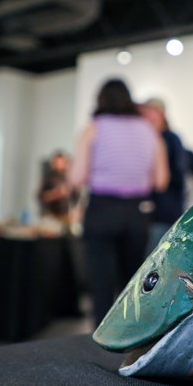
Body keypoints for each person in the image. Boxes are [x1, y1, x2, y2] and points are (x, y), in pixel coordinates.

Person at [69, 79, 168, 326]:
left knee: (100, 282)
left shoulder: (95, 128)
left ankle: (100, 342)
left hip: (102, 208)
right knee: (132, 282)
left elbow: (76, 177)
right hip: (137, 211)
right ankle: (128, 339)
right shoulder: (148, 130)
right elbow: (161, 180)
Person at [139, 98, 187, 256]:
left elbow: (174, 177)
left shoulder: (169, 139)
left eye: (149, 113)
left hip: (164, 214)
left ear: (160, 114)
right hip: (156, 215)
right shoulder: (160, 139)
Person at [37, 150, 76, 227]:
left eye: (62, 162)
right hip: (50, 217)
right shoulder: (49, 178)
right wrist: (55, 193)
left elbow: (76, 199)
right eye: (58, 162)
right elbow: (40, 196)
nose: (60, 164)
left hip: (67, 216)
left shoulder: (71, 179)